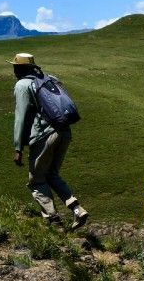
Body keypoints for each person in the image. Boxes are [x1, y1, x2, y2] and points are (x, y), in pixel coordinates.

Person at [10, 52, 88, 228]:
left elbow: (20, 116)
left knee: (37, 181)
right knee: (51, 174)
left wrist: (18, 148)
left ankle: (54, 222)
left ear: (20, 68)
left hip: (43, 136)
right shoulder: (50, 78)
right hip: (64, 132)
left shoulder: (22, 85)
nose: (13, 70)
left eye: (15, 66)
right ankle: (77, 210)